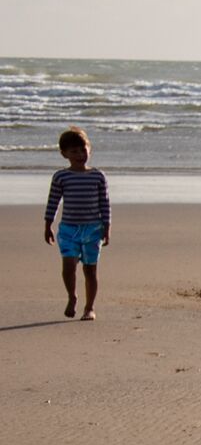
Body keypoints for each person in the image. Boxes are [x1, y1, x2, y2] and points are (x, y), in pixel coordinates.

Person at [45, 128, 111, 321]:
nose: (80, 155)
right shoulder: (61, 177)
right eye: (74, 151)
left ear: (89, 149)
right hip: (68, 229)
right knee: (68, 266)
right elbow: (53, 202)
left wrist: (107, 226)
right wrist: (48, 224)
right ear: (64, 154)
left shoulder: (98, 176)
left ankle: (89, 307)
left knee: (90, 270)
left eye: (83, 150)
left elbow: (105, 203)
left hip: (93, 229)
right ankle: (72, 296)